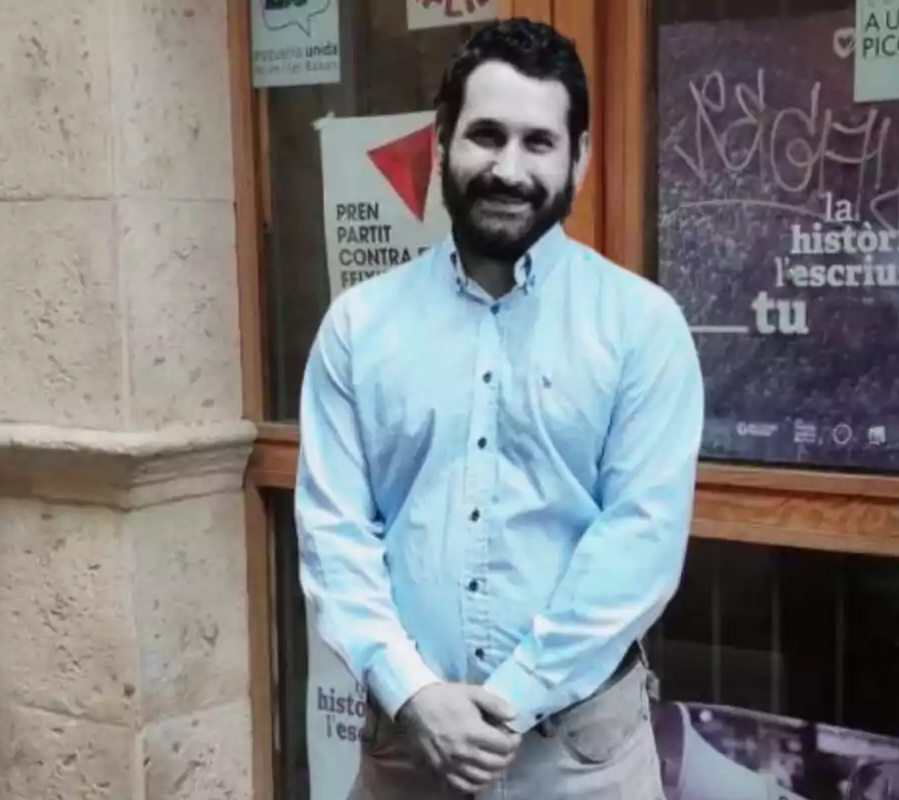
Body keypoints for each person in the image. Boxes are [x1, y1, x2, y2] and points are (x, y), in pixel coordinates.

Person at [295, 17, 704, 799]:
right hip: (406, 750)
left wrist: (502, 704)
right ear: (443, 141)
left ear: (578, 160)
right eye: (485, 135)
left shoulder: (640, 327)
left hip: (581, 761)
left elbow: (639, 547)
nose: (507, 168)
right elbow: (333, 535)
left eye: (538, 142)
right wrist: (413, 693)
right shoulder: (359, 326)